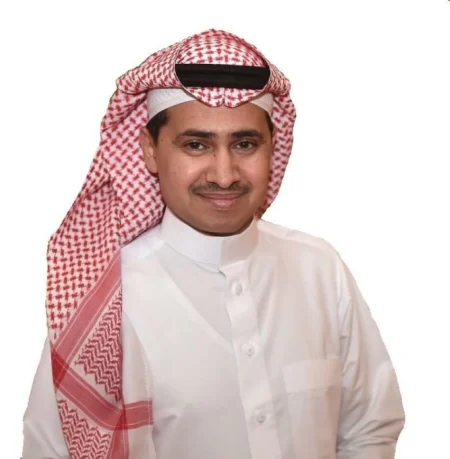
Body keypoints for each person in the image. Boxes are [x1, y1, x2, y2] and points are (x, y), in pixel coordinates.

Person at [22, 29, 405, 459]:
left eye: (245, 144)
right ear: (150, 150)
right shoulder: (104, 302)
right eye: (196, 145)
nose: (224, 175)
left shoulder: (319, 269)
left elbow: (370, 428)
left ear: (272, 147)